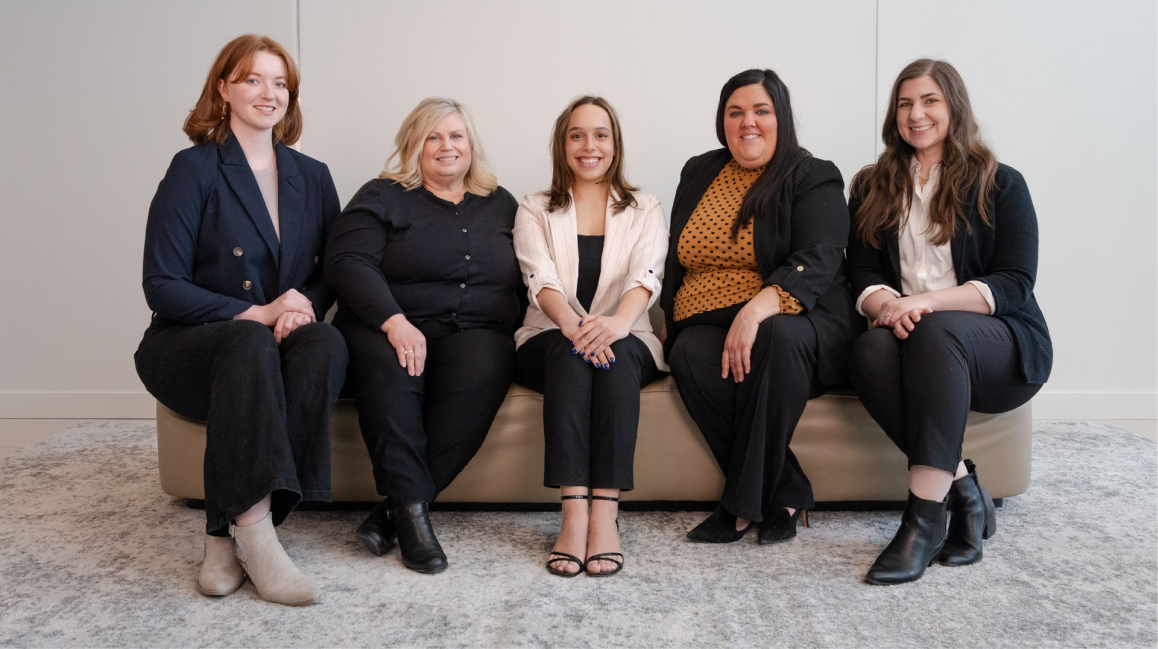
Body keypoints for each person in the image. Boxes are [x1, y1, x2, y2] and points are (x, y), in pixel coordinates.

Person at [135, 34, 347, 606]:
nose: (268, 92)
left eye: (280, 83)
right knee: (247, 342)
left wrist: (299, 303)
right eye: (253, 79)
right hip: (189, 346)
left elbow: (335, 269)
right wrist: (258, 313)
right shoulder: (194, 169)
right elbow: (162, 283)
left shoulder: (315, 174)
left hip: (276, 340)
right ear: (224, 88)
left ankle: (225, 537)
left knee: (327, 343)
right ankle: (255, 538)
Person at [847, 59, 1051, 585]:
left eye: (930, 100)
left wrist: (926, 303)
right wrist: (888, 306)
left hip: (998, 347)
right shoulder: (872, 186)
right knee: (867, 352)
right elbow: (863, 274)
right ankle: (964, 491)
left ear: (954, 107)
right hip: (910, 338)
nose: (917, 114)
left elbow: (1013, 283)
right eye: (905, 103)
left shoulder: (1000, 182)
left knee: (935, 330)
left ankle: (920, 522)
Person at [662, 69, 861, 546]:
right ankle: (787, 491)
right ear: (722, 121)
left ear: (781, 118)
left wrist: (754, 310)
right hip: (708, 318)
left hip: (802, 318)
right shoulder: (699, 171)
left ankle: (739, 506)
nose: (747, 122)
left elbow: (819, 258)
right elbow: (675, 257)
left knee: (778, 335)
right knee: (688, 353)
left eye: (761, 111)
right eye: (735, 112)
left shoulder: (813, 175)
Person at [325, 98, 522, 574]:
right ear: (414, 146)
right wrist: (394, 321)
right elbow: (347, 261)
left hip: (476, 331)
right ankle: (413, 522)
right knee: (393, 379)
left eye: (456, 135)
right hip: (386, 324)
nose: (446, 146)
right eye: (433, 136)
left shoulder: (501, 203)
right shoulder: (382, 195)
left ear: (471, 144)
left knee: (483, 374)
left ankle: (389, 513)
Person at [513, 96, 668, 577]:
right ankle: (573, 513)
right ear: (563, 144)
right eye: (577, 135)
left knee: (617, 356)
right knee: (569, 353)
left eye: (600, 134)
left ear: (615, 144)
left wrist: (617, 325)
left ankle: (605, 515)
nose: (589, 145)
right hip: (549, 335)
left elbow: (647, 275)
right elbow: (540, 280)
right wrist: (577, 329)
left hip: (628, 333)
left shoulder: (645, 207)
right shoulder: (534, 207)